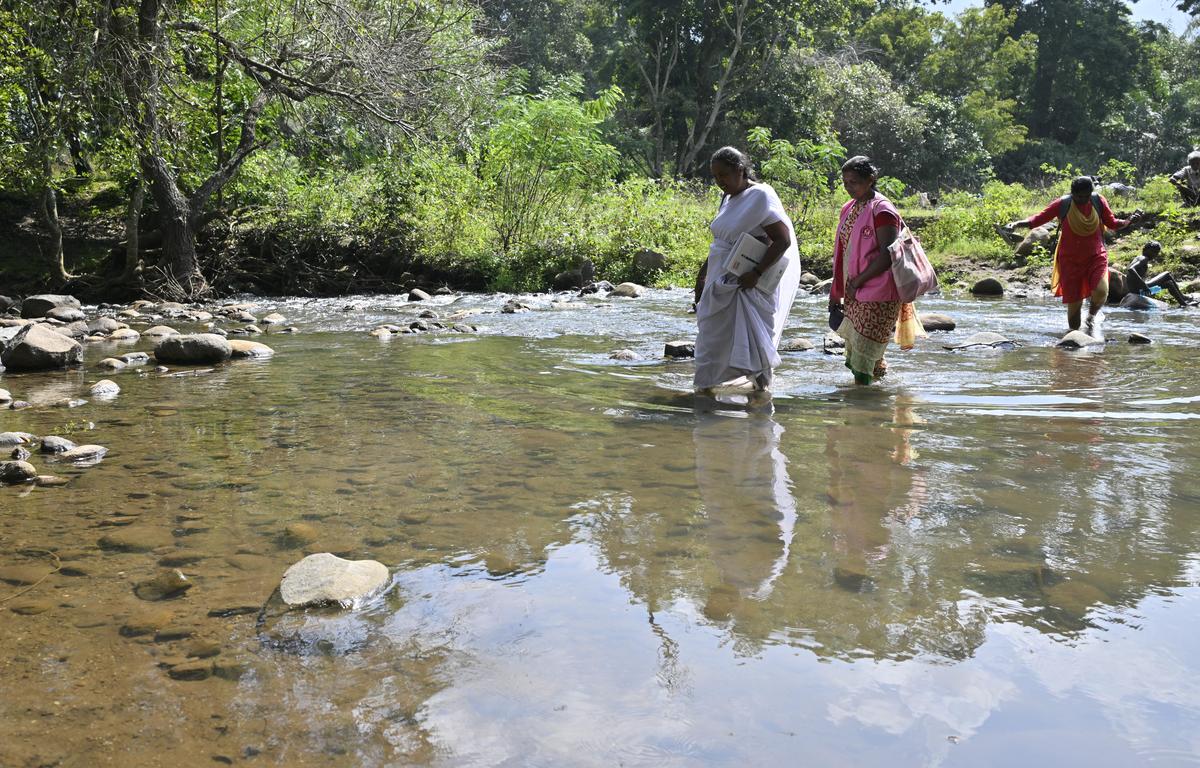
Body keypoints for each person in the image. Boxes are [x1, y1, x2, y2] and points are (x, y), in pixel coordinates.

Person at [693, 146, 802, 396]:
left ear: (740, 171)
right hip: (720, 279)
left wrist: (757, 273)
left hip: (747, 282)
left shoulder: (760, 196)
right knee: (710, 337)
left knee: (753, 341)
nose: (720, 182)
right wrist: (703, 275)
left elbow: (782, 240)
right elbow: (720, 243)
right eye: (715, 176)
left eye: (724, 175)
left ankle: (761, 395)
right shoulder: (728, 198)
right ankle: (705, 389)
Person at [828, 155, 925, 385]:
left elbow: (887, 254)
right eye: (845, 182)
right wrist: (839, 291)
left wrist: (859, 280)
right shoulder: (850, 208)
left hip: (879, 292)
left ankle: (863, 406)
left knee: (865, 351)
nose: (848, 187)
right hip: (855, 291)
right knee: (861, 352)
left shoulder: (883, 211)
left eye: (854, 182)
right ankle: (877, 400)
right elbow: (844, 252)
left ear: (870, 180)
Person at [1006, 176, 1141, 336]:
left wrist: (1128, 222)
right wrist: (1015, 224)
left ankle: (1091, 317)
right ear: (1072, 194)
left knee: (1101, 291)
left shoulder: (1098, 201)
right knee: (1074, 319)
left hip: (1096, 255)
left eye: (1086, 196)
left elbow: (1111, 223)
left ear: (1091, 193)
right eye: (1079, 197)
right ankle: (1073, 342)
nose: (1083, 200)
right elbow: (1037, 219)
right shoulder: (1063, 204)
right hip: (1070, 259)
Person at [1126, 240, 1198, 306]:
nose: (1155, 255)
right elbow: (1131, 269)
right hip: (1140, 289)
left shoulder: (1139, 257)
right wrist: (1144, 286)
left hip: (1136, 290)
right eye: (1153, 252)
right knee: (1167, 274)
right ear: (1146, 250)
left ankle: (1183, 304)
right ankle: (1184, 297)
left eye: (1157, 252)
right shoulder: (1144, 258)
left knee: (1169, 283)